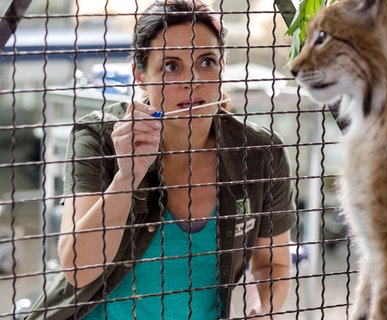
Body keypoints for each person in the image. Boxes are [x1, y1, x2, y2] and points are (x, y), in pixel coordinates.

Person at [25, 0, 295, 319]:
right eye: (171, 66)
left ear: (223, 67)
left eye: (207, 62)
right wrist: (127, 177)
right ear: (140, 75)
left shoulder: (259, 152)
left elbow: (272, 264)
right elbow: (79, 270)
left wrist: (261, 307)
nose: (192, 80)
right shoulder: (99, 137)